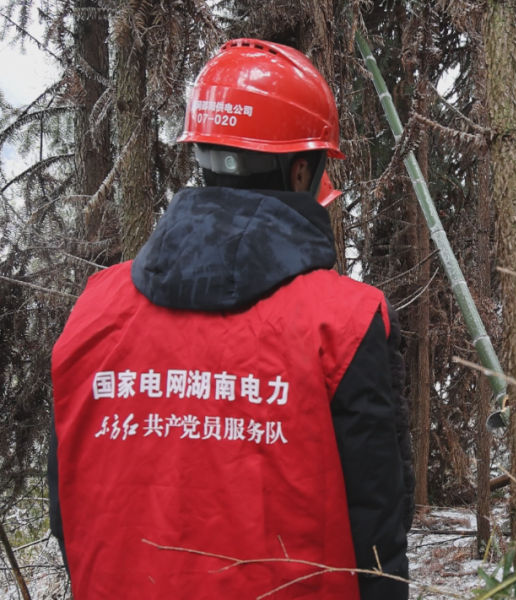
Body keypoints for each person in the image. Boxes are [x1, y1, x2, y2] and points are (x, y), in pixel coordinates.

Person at [47, 39, 411, 599]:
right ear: (301, 173)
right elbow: (379, 543)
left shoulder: (95, 308)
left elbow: (66, 511)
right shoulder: (345, 324)